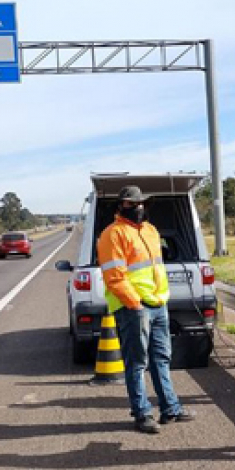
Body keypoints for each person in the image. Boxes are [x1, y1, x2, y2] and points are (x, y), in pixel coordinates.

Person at [98, 185, 195, 434]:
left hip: (157, 303)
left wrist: (160, 299)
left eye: (141, 203)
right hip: (133, 308)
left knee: (162, 358)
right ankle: (142, 413)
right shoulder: (113, 234)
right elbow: (115, 277)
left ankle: (170, 408)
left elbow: (156, 267)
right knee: (137, 362)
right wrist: (135, 304)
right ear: (121, 207)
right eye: (132, 204)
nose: (138, 207)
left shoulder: (151, 231)